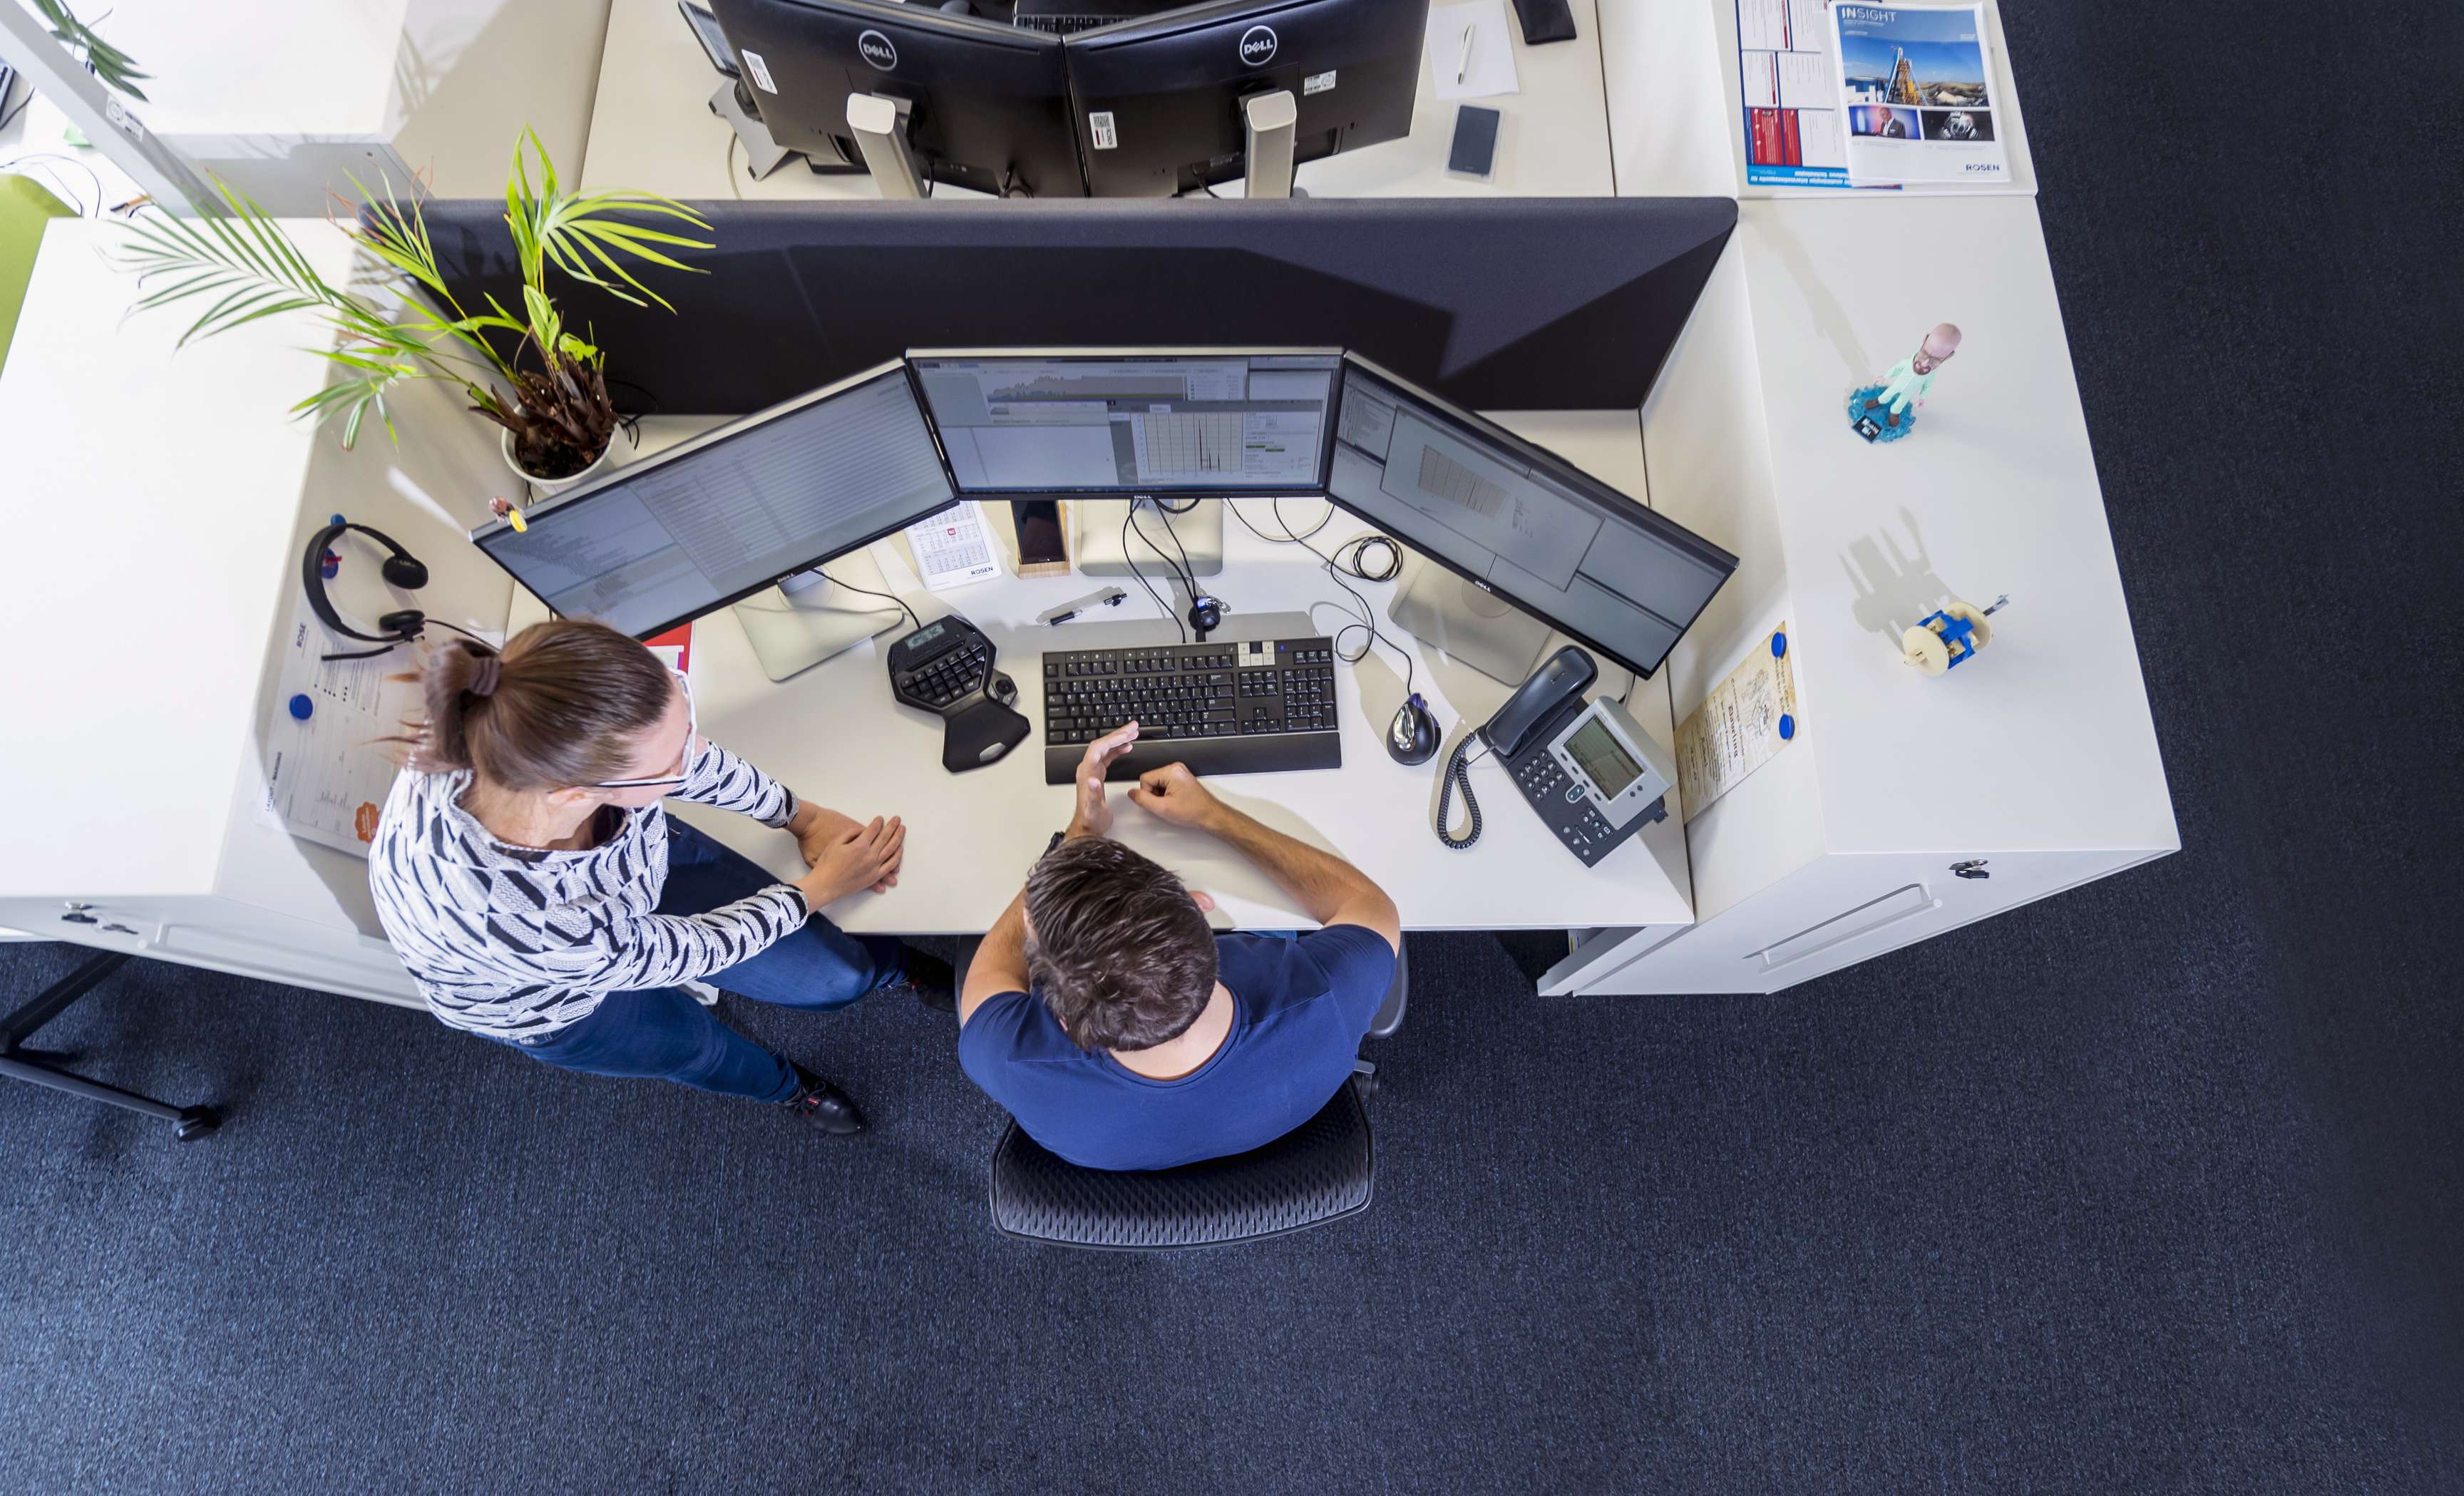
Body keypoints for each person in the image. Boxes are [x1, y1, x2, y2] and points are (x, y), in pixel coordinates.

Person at [368, 619, 952, 1135]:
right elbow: (682, 951)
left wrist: (800, 815)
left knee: (834, 975)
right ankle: (785, 1088)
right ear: (578, 794)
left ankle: (887, 969)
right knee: (698, 1049)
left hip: (629, 868)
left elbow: (673, 755)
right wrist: (821, 888)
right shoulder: (513, 913)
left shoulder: (523, 722)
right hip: (556, 998)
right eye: (671, 763)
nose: (693, 755)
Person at [956, 724, 1401, 1171]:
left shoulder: (1014, 1062)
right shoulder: (1326, 1003)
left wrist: (1079, 835)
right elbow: (1369, 905)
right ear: (1200, 907)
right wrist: (1214, 816)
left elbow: (988, 976)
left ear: (1065, 1022)